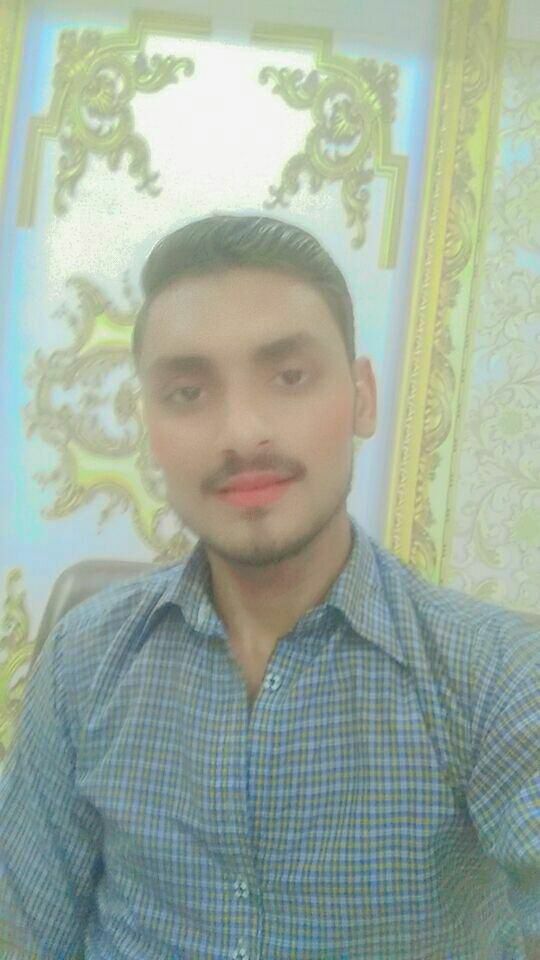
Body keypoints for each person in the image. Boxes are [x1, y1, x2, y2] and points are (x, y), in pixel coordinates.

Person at [0, 214, 538, 960]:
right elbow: (27, 932)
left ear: (362, 398)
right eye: (188, 391)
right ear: (150, 425)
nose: (242, 432)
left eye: (289, 377)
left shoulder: (496, 675)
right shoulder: (81, 662)